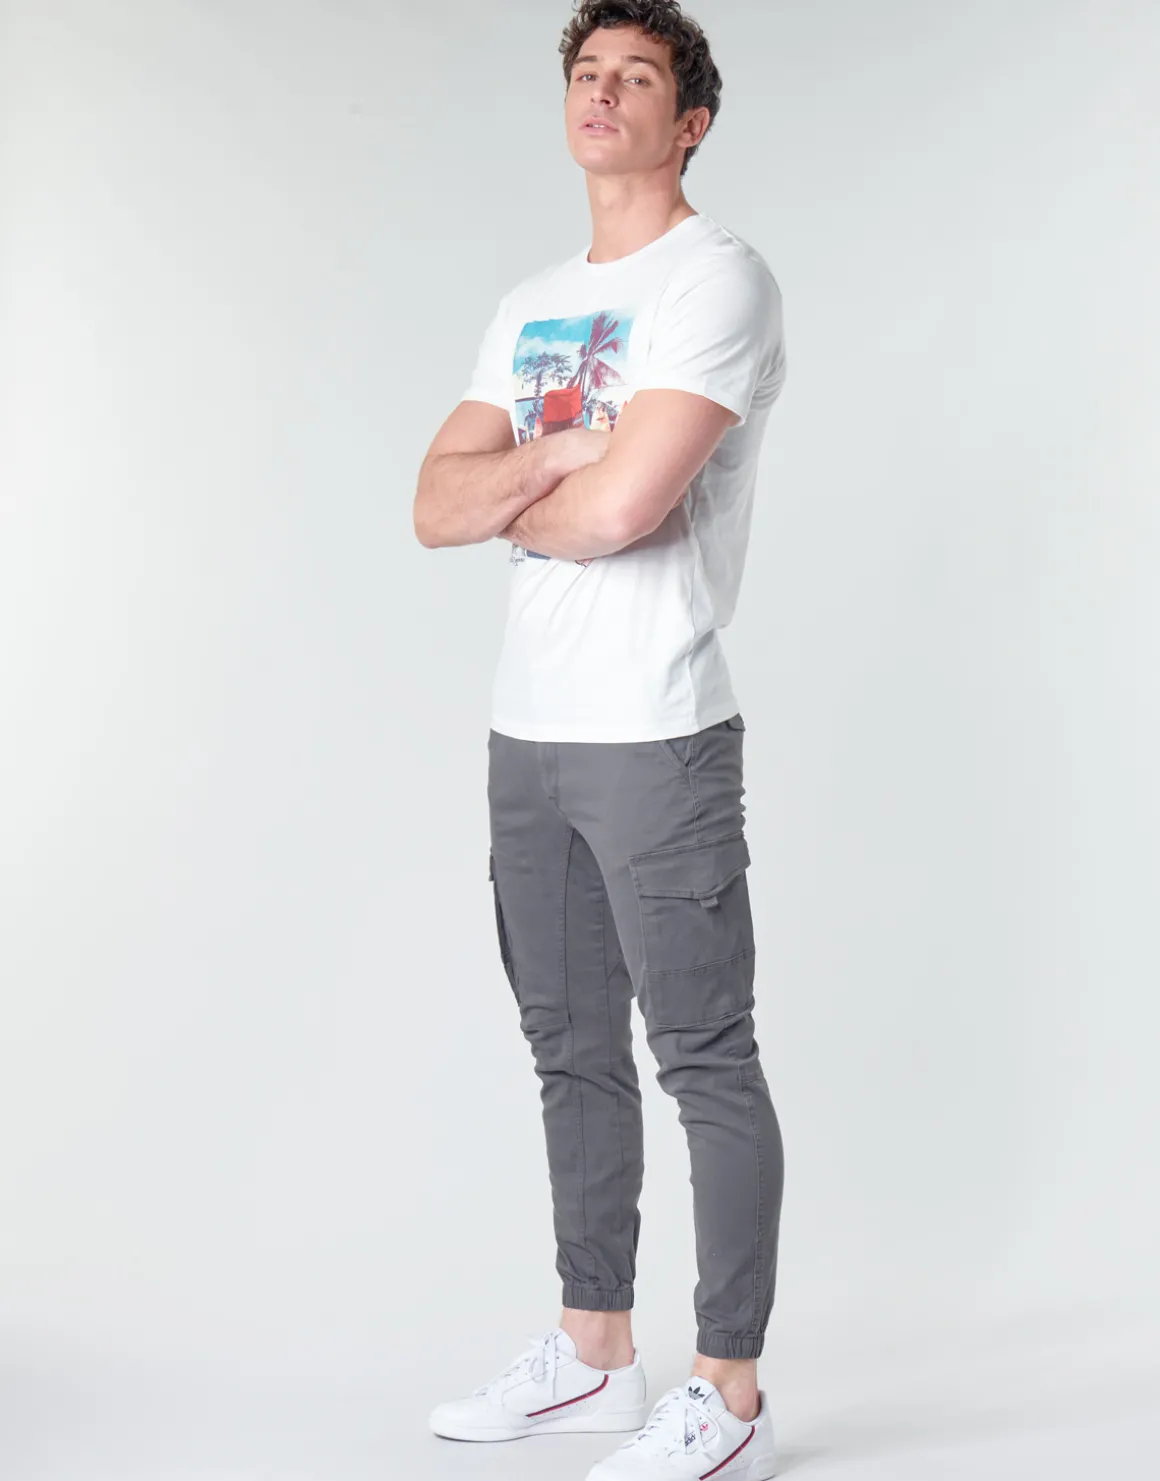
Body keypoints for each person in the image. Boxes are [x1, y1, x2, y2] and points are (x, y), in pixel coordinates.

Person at [412, 3, 786, 1476]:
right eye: (586, 72)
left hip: (656, 730)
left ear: (689, 121)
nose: (604, 93)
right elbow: (432, 507)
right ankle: (594, 1357)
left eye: (638, 76)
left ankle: (730, 1395)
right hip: (530, 731)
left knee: (704, 1057)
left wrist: (528, 480)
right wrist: (570, 447)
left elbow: (628, 513)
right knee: (569, 1051)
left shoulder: (718, 280)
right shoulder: (530, 303)